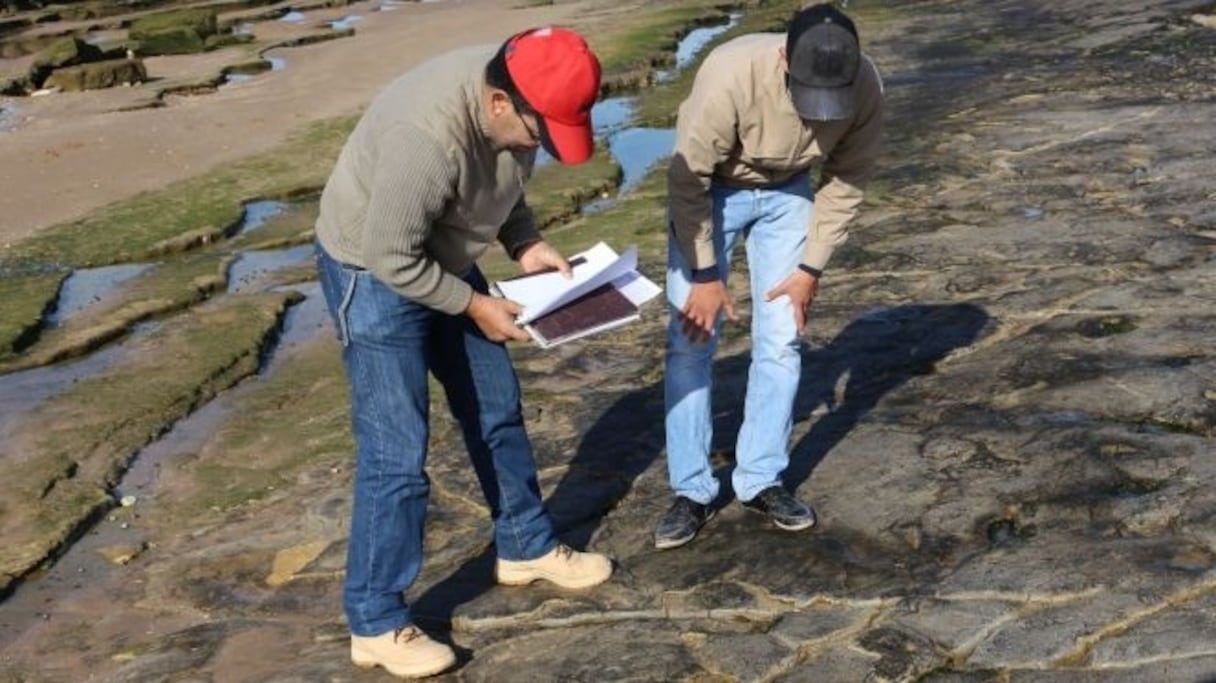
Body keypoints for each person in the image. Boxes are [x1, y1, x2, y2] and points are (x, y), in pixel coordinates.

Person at [314, 27, 612, 679]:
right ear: (501, 103)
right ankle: (374, 618)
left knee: (497, 408)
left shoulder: (513, 106)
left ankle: (526, 545)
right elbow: (392, 256)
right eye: (543, 133)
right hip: (372, 269)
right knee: (396, 449)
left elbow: (502, 183)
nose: (542, 147)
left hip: (442, 253)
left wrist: (527, 245)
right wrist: (475, 304)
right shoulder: (426, 139)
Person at [656, 3, 885, 549]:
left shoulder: (867, 85)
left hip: (790, 195)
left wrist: (810, 268)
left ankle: (759, 477)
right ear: (784, 57)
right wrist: (706, 275)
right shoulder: (729, 74)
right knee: (692, 339)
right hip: (715, 190)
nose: (816, 113)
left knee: (781, 339)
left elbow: (848, 179)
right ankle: (692, 489)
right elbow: (687, 182)